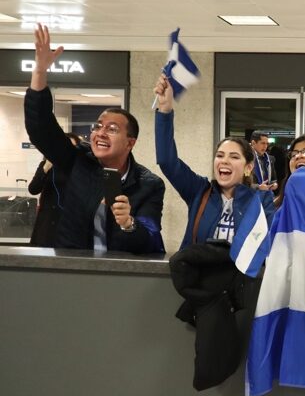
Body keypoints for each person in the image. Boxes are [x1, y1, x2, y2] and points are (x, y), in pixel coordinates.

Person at [24, 24, 165, 253]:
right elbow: (41, 128)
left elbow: (148, 241)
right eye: (98, 126)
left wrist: (128, 223)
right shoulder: (77, 160)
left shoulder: (148, 185)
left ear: (130, 142)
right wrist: (39, 73)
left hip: (117, 275)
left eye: (111, 129)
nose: (100, 132)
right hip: (72, 268)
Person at [153, 74, 275, 249]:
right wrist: (165, 110)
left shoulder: (261, 200)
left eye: (234, 157)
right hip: (200, 276)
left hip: (239, 276)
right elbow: (167, 161)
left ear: (248, 167)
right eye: (220, 155)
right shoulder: (199, 191)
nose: (224, 161)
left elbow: (267, 247)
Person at [28, 132, 81, 247]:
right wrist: (46, 167)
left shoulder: (79, 169)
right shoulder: (46, 165)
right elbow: (33, 189)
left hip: (69, 222)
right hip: (47, 222)